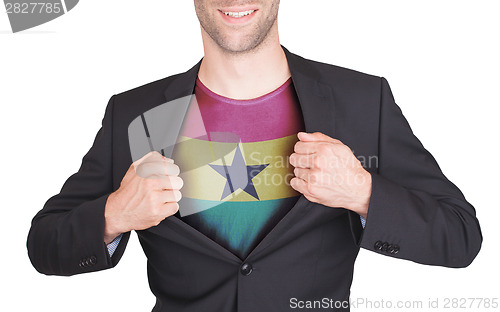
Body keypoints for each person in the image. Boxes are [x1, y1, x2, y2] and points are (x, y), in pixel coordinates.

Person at [27, 1, 482, 311]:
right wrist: (114, 214)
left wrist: (363, 192)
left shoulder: (362, 101)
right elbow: (44, 245)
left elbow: (460, 236)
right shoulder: (135, 113)